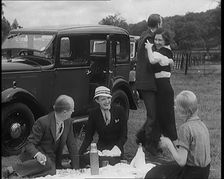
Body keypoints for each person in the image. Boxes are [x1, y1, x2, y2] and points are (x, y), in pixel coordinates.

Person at [2, 95, 79, 178]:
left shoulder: (68, 122)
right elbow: (29, 144)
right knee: (48, 164)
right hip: (34, 159)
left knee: (52, 170)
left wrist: (76, 169)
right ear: (65, 112)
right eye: (72, 109)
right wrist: (37, 154)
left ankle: (19, 175)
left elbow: (72, 145)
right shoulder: (42, 122)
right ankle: (11, 169)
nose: (73, 111)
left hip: (50, 161)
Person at [145, 90, 211, 179]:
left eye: (177, 106)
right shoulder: (202, 125)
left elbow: (181, 161)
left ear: (184, 111)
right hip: (204, 172)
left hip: (192, 173)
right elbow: (190, 152)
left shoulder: (185, 128)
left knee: (153, 174)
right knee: (166, 167)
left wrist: (169, 144)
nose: (175, 108)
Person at [144, 28, 178, 150]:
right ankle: (158, 142)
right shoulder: (166, 52)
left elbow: (152, 60)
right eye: (156, 39)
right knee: (162, 116)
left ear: (165, 41)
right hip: (163, 87)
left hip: (163, 89)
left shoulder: (162, 51)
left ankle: (170, 144)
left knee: (164, 117)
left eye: (160, 40)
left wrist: (148, 48)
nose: (157, 42)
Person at [79, 86, 128, 167]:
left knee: (111, 163)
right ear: (97, 100)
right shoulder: (94, 113)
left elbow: (124, 135)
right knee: (90, 160)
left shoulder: (119, 110)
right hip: (101, 148)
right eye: (103, 99)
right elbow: (88, 137)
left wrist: (116, 148)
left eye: (108, 98)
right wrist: (79, 154)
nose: (107, 101)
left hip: (116, 149)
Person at [135, 14, 163, 155]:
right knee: (153, 115)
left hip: (144, 81)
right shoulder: (148, 39)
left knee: (154, 113)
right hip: (148, 82)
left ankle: (141, 136)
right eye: (161, 23)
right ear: (158, 24)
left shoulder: (143, 35)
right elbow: (150, 61)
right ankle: (149, 144)